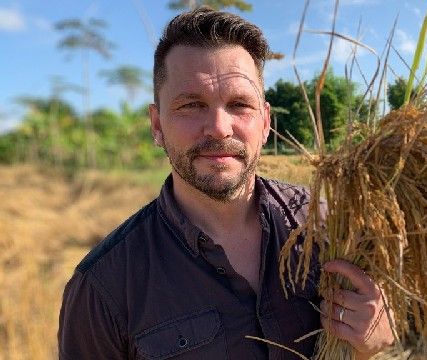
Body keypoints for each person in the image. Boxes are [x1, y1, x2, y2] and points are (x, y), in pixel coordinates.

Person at [58, 7, 393, 360]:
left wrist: (372, 345)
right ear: (157, 125)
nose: (220, 127)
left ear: (265, 123)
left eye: (238, 104)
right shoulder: (103, 287)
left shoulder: (326, 224)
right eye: (191, 105)